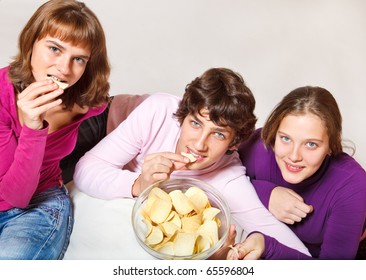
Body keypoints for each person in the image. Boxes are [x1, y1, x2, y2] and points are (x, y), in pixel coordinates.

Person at [74, 67, 311, 259]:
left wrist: (262, 244)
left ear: (234, 143)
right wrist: (139, 184)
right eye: (195, 124)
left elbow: (302, 257)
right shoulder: (158, 112)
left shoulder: (228, 179)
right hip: (100, 119)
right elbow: (86, 169)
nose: (199, 144)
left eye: (218, 134)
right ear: (183, 116)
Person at [0, 0, 110, 259]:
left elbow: (19, 198)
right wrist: (32, 125)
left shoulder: (86, 103)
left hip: (40, 205)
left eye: (78, 59)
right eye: (54, 49)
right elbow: (9, 192)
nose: (64, 69)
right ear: (30, 44)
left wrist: (35, 126)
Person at [228, 86, 366, 259]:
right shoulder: (258, 145)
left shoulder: (351, 184)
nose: (293, 156)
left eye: (311, 144)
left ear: (331, 145)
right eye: (285, 138)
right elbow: (216, 179)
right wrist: (266, 194)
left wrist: (267, 247)